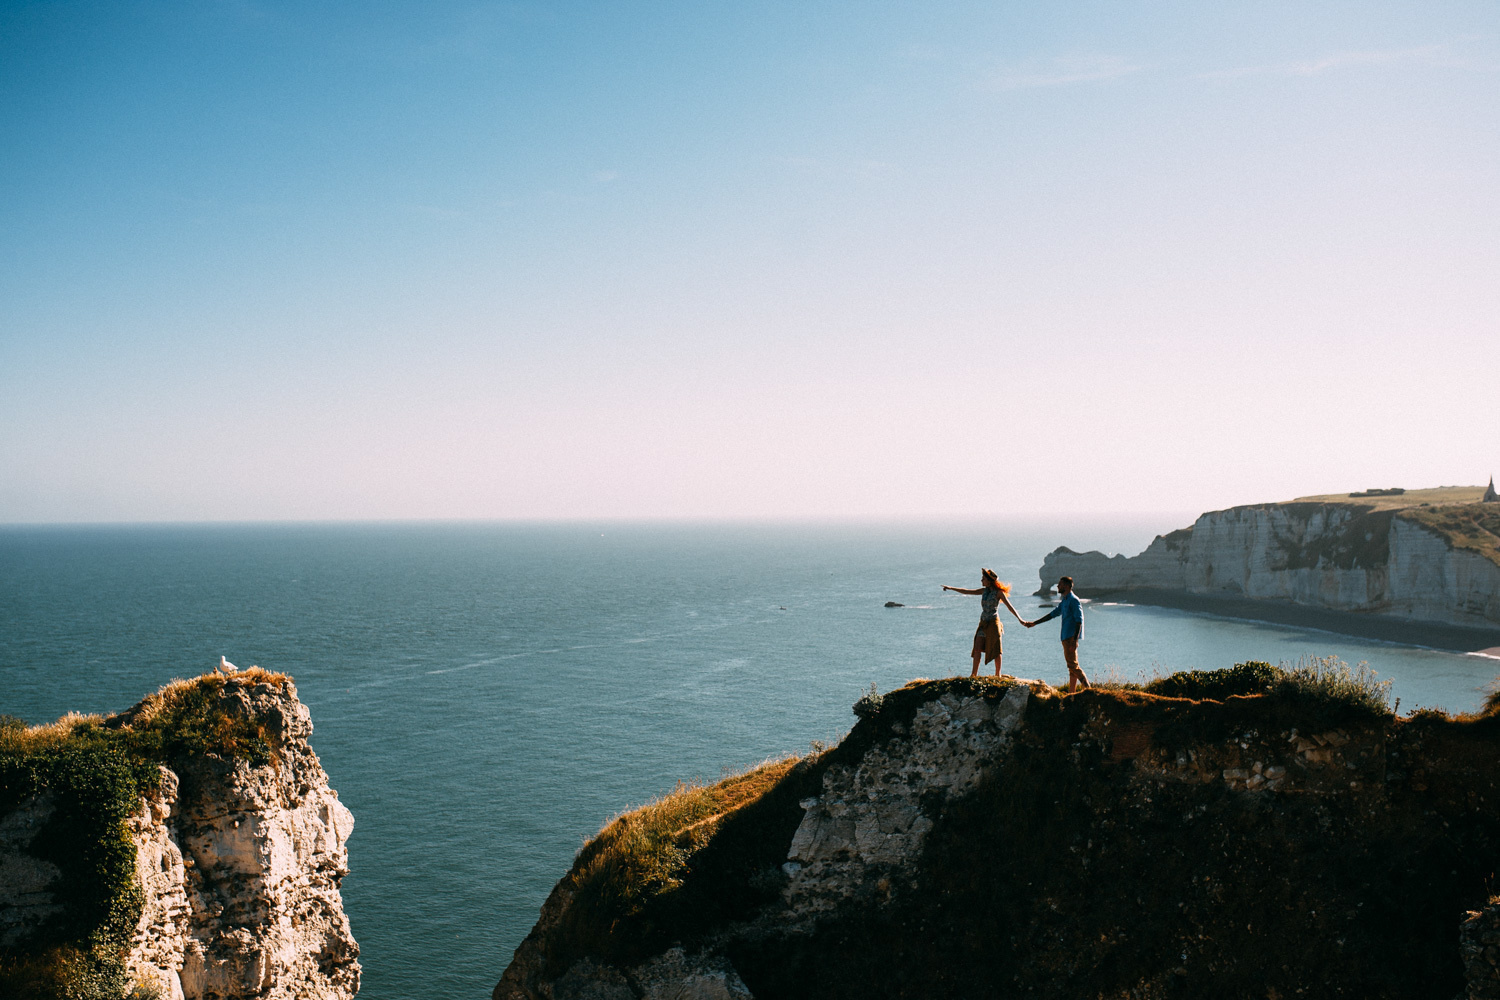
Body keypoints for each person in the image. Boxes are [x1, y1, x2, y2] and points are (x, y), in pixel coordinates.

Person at [942, 568, 1028, 678]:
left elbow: (1010, 607)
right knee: (977, 648)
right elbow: (967, 591)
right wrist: (950, 588)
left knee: (996, 650)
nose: (981, 580)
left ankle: (998, 675)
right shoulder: (984, 591)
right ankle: (973, 675)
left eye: (983, 579)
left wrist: (1020, 619)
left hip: (993, 623)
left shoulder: (999, 593)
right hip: (983, 623)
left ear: (989, 581)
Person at [1025, 575, 1089, 692]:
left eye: (1060, 584)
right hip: (1065, 636)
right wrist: (1035, 623)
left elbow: (1079, 620)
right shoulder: (1064, 600)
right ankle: (1072, 692)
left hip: (1070, 637)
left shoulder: (1073, 600)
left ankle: (1089, 689)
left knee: (1073, 666)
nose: (1057, 586)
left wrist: (1074, 641)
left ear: (1067, 586)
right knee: (1071, 667)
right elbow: (1053, 614)